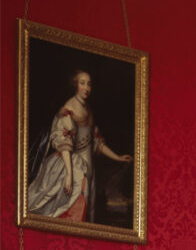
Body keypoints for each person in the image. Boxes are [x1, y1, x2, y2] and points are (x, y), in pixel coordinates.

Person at [26, 69, 132, 222]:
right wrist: (69, 175)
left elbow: (95, 142)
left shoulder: (88, 108)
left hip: (88, 168)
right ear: (75, 85)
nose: (86, 88)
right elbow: (64, 144)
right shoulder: (68, 109)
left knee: (88, 212)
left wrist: (118, 157)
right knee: (71, 211)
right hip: (71, 166)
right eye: (82, 83)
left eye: (89, 84)